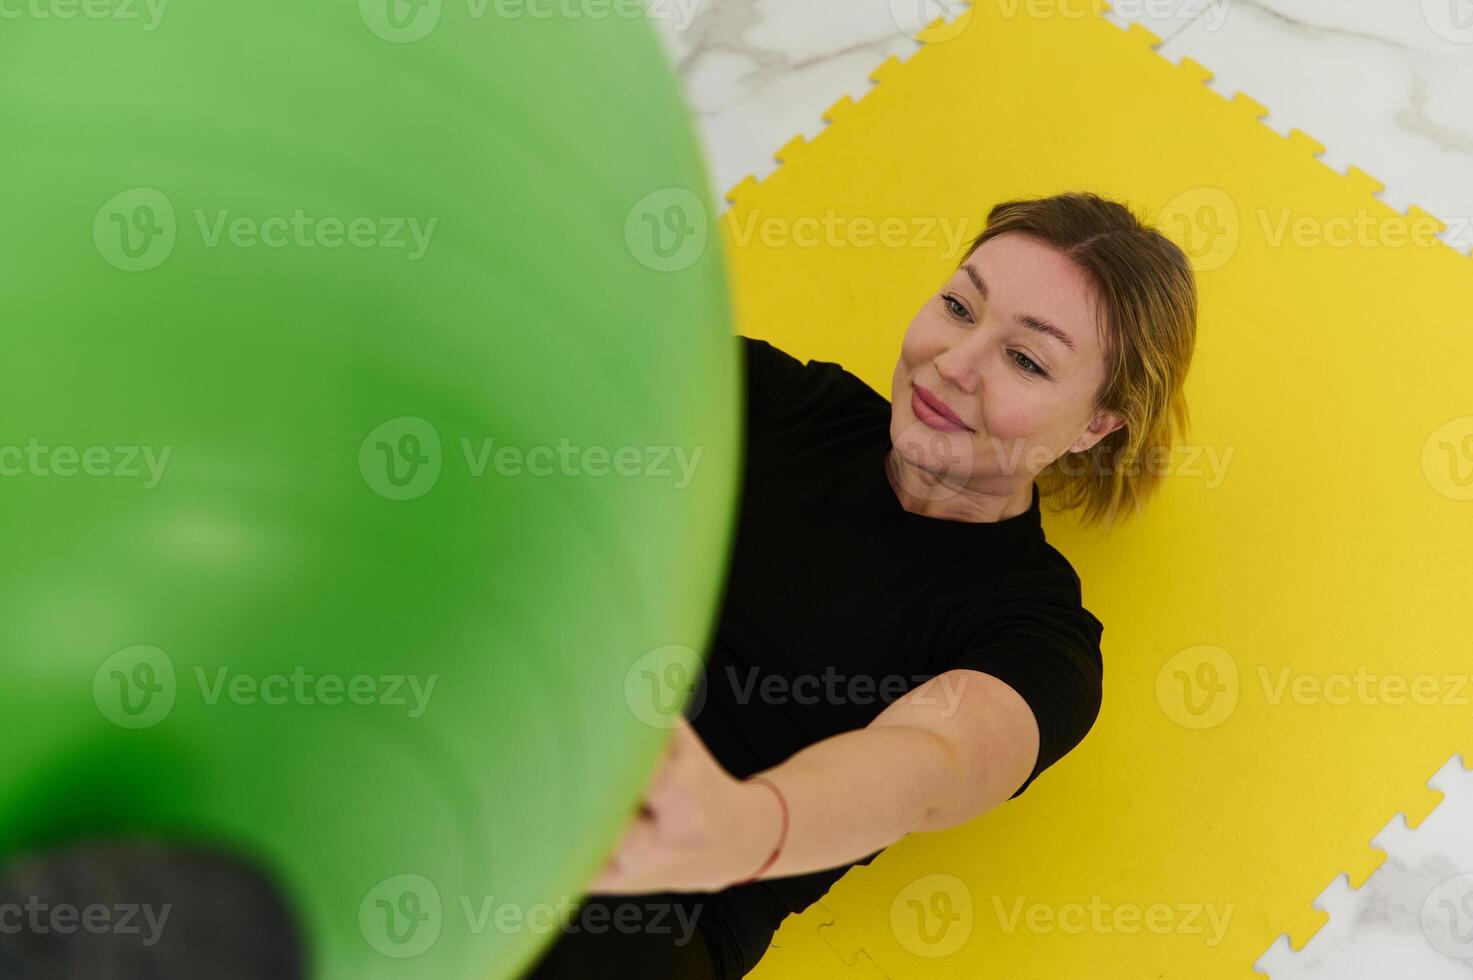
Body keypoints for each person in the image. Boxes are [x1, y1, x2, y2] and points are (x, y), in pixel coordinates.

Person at [524, 190, 1199, 978]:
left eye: (1025, 359)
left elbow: (929, 764)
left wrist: (740, 826)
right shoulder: (780, 403)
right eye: (957, 306)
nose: (954, 363)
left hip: (659, 912)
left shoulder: (1035, 637)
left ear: (1094, 425)